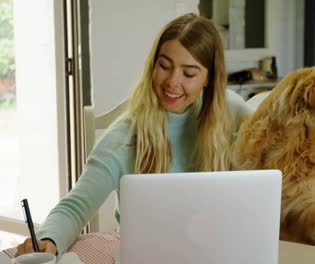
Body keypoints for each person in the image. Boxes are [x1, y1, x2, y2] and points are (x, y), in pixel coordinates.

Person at [16, 13, 254, 256]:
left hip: (214, 252)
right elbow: (75, 206)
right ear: (153, 65)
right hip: (145, 256)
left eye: (189, 73)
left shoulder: (232, 111)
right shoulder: (124, 137)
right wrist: (50, 239)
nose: (173, 81)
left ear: (209, 79)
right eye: (164, 66)